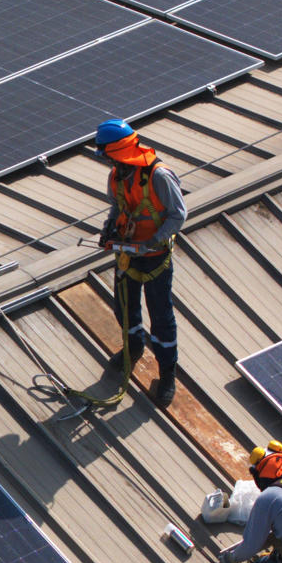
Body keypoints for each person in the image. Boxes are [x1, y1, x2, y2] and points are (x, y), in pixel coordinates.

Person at [94, 120, 186, 407]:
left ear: (117, 152)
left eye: (108, 154)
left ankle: (167, 371)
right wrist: (109, 229)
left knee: (161, 315)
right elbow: (118, 206)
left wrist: (153, 242)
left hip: (155, 257)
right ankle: (132, 348)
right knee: (124, 306)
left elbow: (177, 215)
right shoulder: (117, 175)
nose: (106, 160)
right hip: (126, 253)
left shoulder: (159, 176)